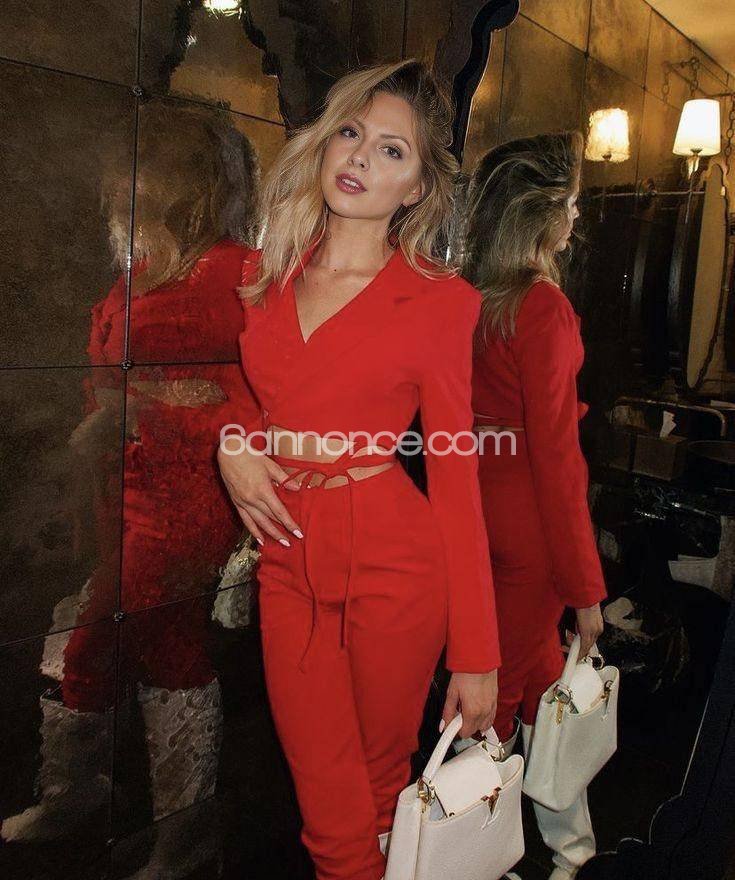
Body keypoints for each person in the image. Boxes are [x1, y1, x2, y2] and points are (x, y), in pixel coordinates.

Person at [217, 59, 500, 880]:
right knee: (327, 803)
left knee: (377, 793)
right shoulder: (263, 278)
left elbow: (456, 478)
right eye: (350, 133)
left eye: (391, 150)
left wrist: (476, 654)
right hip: (286, 556)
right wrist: (231, 446)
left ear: (416, 188)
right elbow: (241, 398)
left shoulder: (442, 302)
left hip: (394, 561)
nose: (360, 158)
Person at [463, 131, 607, 880]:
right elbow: (557, 460)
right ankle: (484, 854)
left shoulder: (470, 300)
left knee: (516, 679)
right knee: (514, 694)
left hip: (472, 511)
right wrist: (586, 589)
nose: (577, 217)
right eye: (571, 203)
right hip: (527, 524)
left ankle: (559, 847)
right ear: (539, 213)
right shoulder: (540, 306)